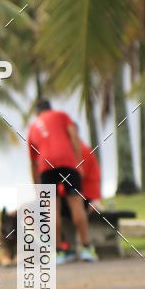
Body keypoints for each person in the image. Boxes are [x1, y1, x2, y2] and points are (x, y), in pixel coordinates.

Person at [28, 99, 98, 263]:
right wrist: (78, 162)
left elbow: (32, 162)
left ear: (37, 113)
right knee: (76, 204)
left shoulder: (32, 127)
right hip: (67, 162)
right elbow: (74, 137)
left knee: (51, 209)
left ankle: (58, 252)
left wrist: (36, 187)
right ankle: (87, 248)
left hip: (45, 166)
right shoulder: (62, 115)